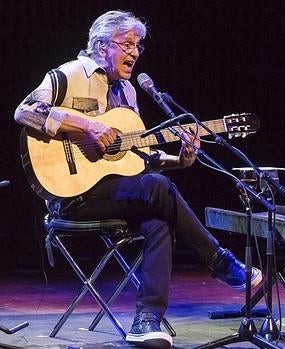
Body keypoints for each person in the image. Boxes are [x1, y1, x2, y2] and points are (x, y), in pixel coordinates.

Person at [14, 10, 262, 349]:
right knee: (157, 191)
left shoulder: (128, 93)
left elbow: (135, 156)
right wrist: (88, 125)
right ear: (102, 46)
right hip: (69, 195)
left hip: (116, 191)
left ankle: (147, 320)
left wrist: (181, 158)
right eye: (127, 44)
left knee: (159, 217)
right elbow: (24, 110)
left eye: (138, 46)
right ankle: (220, 262)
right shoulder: (69, 75)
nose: (134, 52)